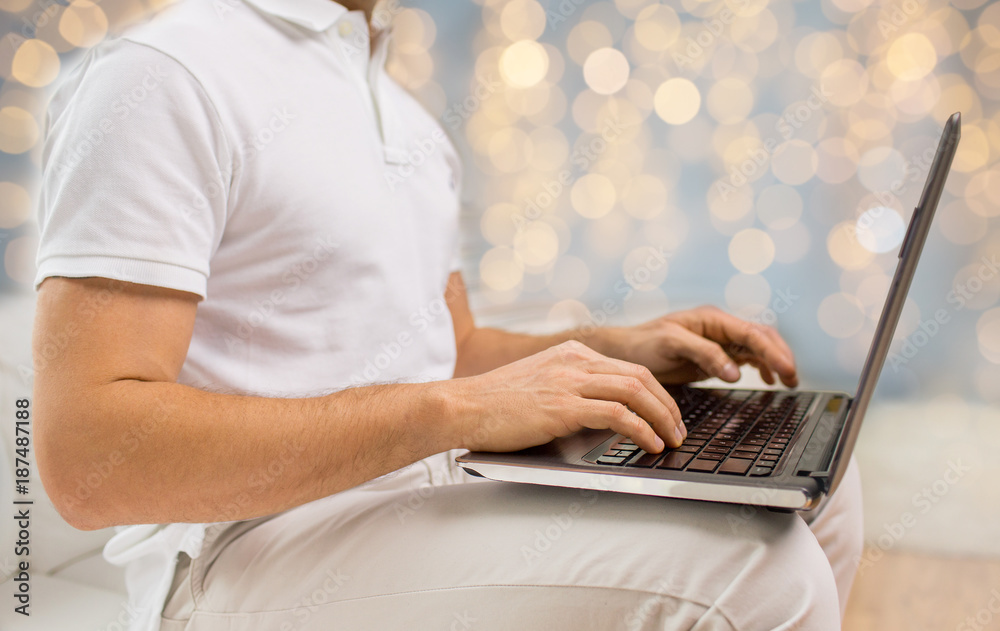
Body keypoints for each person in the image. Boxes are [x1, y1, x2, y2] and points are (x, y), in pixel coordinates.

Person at [32, 0, 863, 629]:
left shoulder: (408, 115)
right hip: (238, 556)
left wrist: (612, 349)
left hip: (426, 492)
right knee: (759, 573)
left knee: (819, 486)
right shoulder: (161, 73)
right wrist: (452, 413)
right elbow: (91, 457)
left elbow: (447, 347)